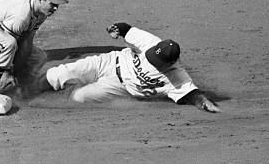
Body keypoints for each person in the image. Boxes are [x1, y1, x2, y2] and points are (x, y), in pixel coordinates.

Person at [37, 21, 220, 112]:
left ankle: (63, 93)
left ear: (170, 63)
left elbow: (193, 95)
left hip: (118, 88)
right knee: (62, 72)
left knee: (79, 97)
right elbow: (127, 29)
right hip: (110, 63)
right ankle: (26, 91)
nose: (151, 59)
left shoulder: (177, 76)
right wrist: (117, 28)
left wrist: (205, 103)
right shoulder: (150, 42)